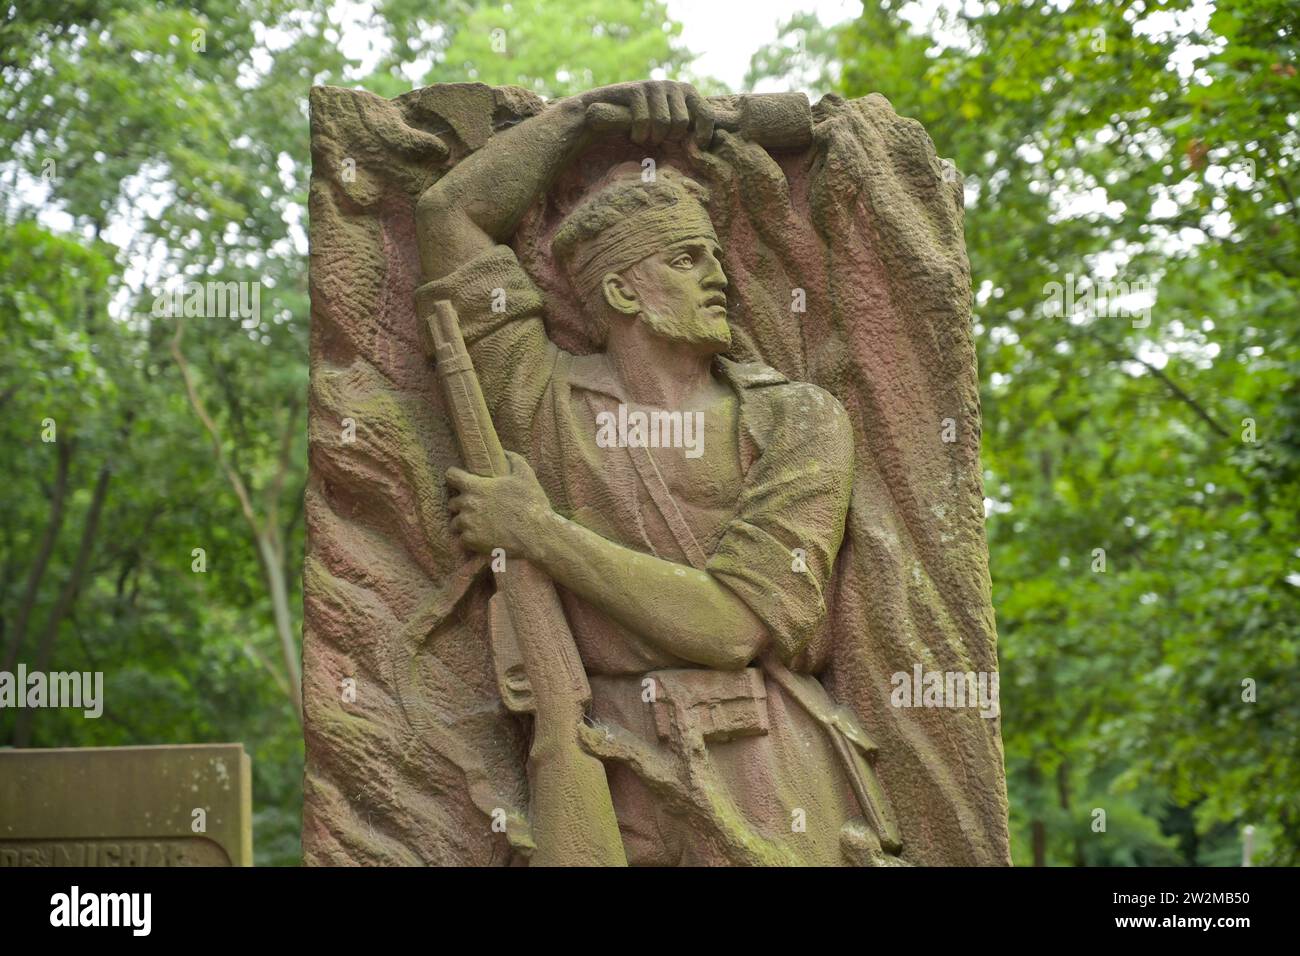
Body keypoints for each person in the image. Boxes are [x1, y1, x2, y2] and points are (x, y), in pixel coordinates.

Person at [415, 81, 897, 865]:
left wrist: (536, 532)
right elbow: (446, 217)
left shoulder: (797, 420)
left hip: (766, 772)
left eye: (715, 256)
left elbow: (735, 626)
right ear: (618, 290)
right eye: (685, 259)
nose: (721, 279)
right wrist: (579, 116)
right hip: (610, 768)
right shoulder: (544, 402)